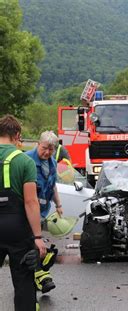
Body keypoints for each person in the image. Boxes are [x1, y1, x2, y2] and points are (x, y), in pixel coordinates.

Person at [0, 115, 47, 310]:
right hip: (16, 227)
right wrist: (37, 236)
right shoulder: (24, 161)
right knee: (23, 282)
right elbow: (30, 201)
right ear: (17, 135)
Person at [26, 131, 64, 294]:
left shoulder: (52, 163)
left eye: (51, 149)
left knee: (35, 244)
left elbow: (53, 185)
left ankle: (37, 278)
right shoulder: (26, 160)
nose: (47, 152)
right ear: (37, 144)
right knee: (32, 244)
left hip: (41, 211)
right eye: (44, 148)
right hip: (27, 210)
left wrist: (58, 204)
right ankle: (41, 277)